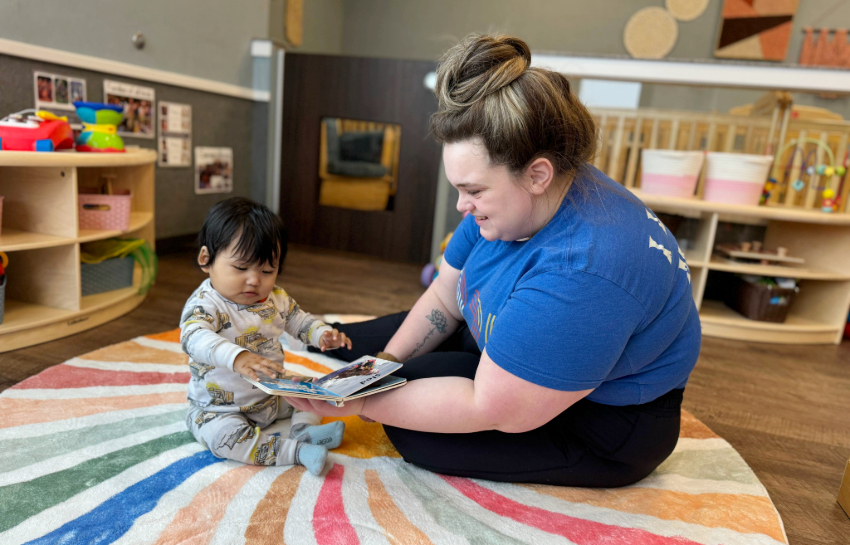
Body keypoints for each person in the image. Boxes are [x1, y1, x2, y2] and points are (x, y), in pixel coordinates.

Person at [284, 34, 701, 487]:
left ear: (537, 174)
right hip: (519, 334)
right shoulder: (516, 196)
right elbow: (445, 293)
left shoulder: (582, 271)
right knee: (370, 358)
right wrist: (380, 365)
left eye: (474, 191)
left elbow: (494, 409)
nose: (463, 206)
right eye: (460, 188)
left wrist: (361, 404)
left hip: (606, 424)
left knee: (415, 433)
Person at [180, 197, 352, 475]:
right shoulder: (205, 304)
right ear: (206, 259)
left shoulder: (275, 299)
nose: (254, 280)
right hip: (218, 409)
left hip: (272, 396)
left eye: (267, 270)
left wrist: (321, 334)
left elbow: (299, 320)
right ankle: (297, 452)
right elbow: (194, 337)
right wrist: (237, 357)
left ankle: (304, 430)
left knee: (315, 390)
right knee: (226, 440)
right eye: (241, 268)